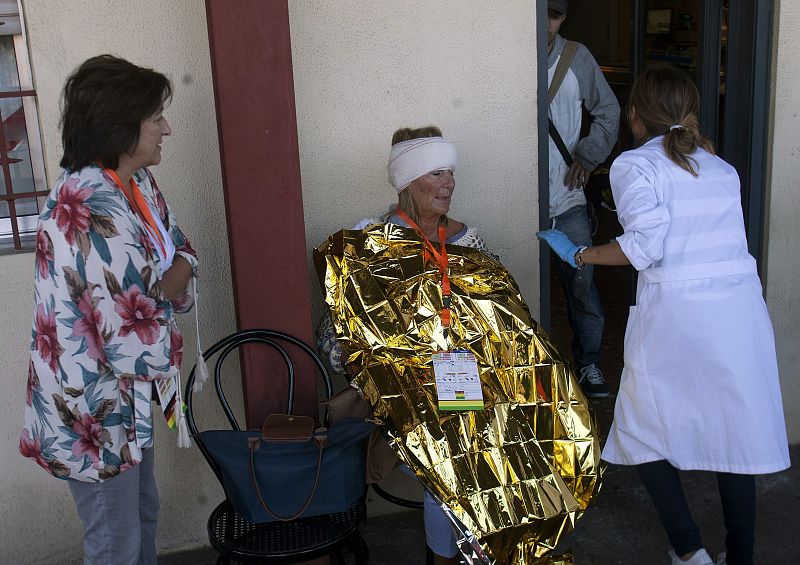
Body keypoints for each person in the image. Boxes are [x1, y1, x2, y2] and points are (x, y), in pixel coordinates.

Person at [537, 66, 790, 565]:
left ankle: (689, 550)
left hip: (680, 315)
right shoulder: (721, 167)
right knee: (734, 433)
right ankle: (740, 557)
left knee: (639, 429)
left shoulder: (635, 165)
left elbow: (643, 249)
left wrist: (579, 254)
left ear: (634, 115)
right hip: (740, 312)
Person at [20, 55, 199, 565]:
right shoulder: (89, 207)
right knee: (115, 543)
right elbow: (134, 340)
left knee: (141, 517)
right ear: (121, 126)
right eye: (155, 118)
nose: (167, 129)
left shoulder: (135, 184)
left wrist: (166, 283)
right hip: (93, 410)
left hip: (123, 404)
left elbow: (180, 252)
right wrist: (170, 281)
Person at [317, 125, 488, 565]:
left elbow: (499, 325)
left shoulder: (468, 240)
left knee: (475, 445)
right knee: (448, 454)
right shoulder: (371, 243)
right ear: (408, 181)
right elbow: (334, 340)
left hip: (465, 379)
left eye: (450, 172)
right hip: (402, 385)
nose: (449, 182)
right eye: (437, 173)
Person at [545, 0, 620, 398]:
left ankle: (589, 363)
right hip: (525, 196)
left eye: (554, 15)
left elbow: (608, 110)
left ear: (563, 17)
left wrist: (588, 155)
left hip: (568, 199)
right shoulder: (508, 56)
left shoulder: (577, 57)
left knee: (582, 286)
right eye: (542, 13)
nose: (547, 23)